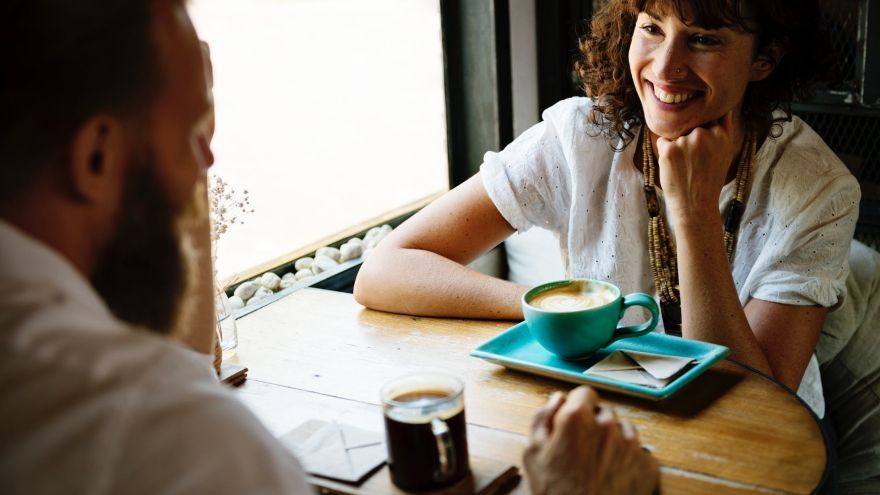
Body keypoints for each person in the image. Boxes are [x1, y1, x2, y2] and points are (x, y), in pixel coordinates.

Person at [0, 1, 658, 494]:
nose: (209, 167)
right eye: (192, 137)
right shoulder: (189, 446)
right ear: (95, 157)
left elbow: (177, 360)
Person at [354, 0, 860, 420]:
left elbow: (756, 406)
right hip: (606, 416)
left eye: (703, 39)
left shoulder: (821, 189)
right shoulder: (583, 137)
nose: (665, 67)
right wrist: (563, 311)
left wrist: (694, 211)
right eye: (652, 29)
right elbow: (384, 270)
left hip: (763, 449)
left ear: (763, 59)